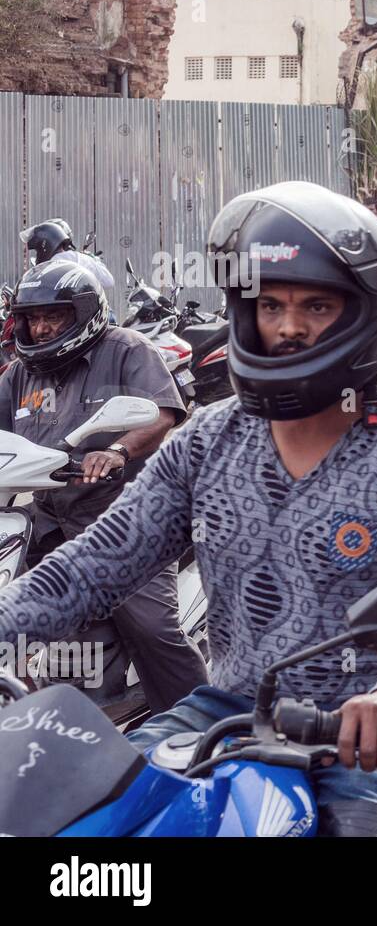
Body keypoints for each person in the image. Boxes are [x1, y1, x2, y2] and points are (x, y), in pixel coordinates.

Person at [0, 181, 377, 836]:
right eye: (271, 305)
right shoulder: (207, 443)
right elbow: (92, 566)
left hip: (371, 741)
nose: (289, 325)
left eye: (316, 305)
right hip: (226, 712)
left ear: (361, 315)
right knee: (85, 818)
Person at [0, 258, 206, 715]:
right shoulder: (19, 374)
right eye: (32, 318)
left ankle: (201, 727)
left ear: (83, 311)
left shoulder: (127, 349)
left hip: (127, 519)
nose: (39, 328)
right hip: (48, 518)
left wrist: (117, 451)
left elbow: (160, 413)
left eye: (52, 316)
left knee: (152, 627)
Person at [20, 218, 116, 297]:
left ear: (45, 245)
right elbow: (109, 281)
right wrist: (95, 261)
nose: (38, 254)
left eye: (37, 250)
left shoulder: (53, 263)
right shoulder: (81, 258)